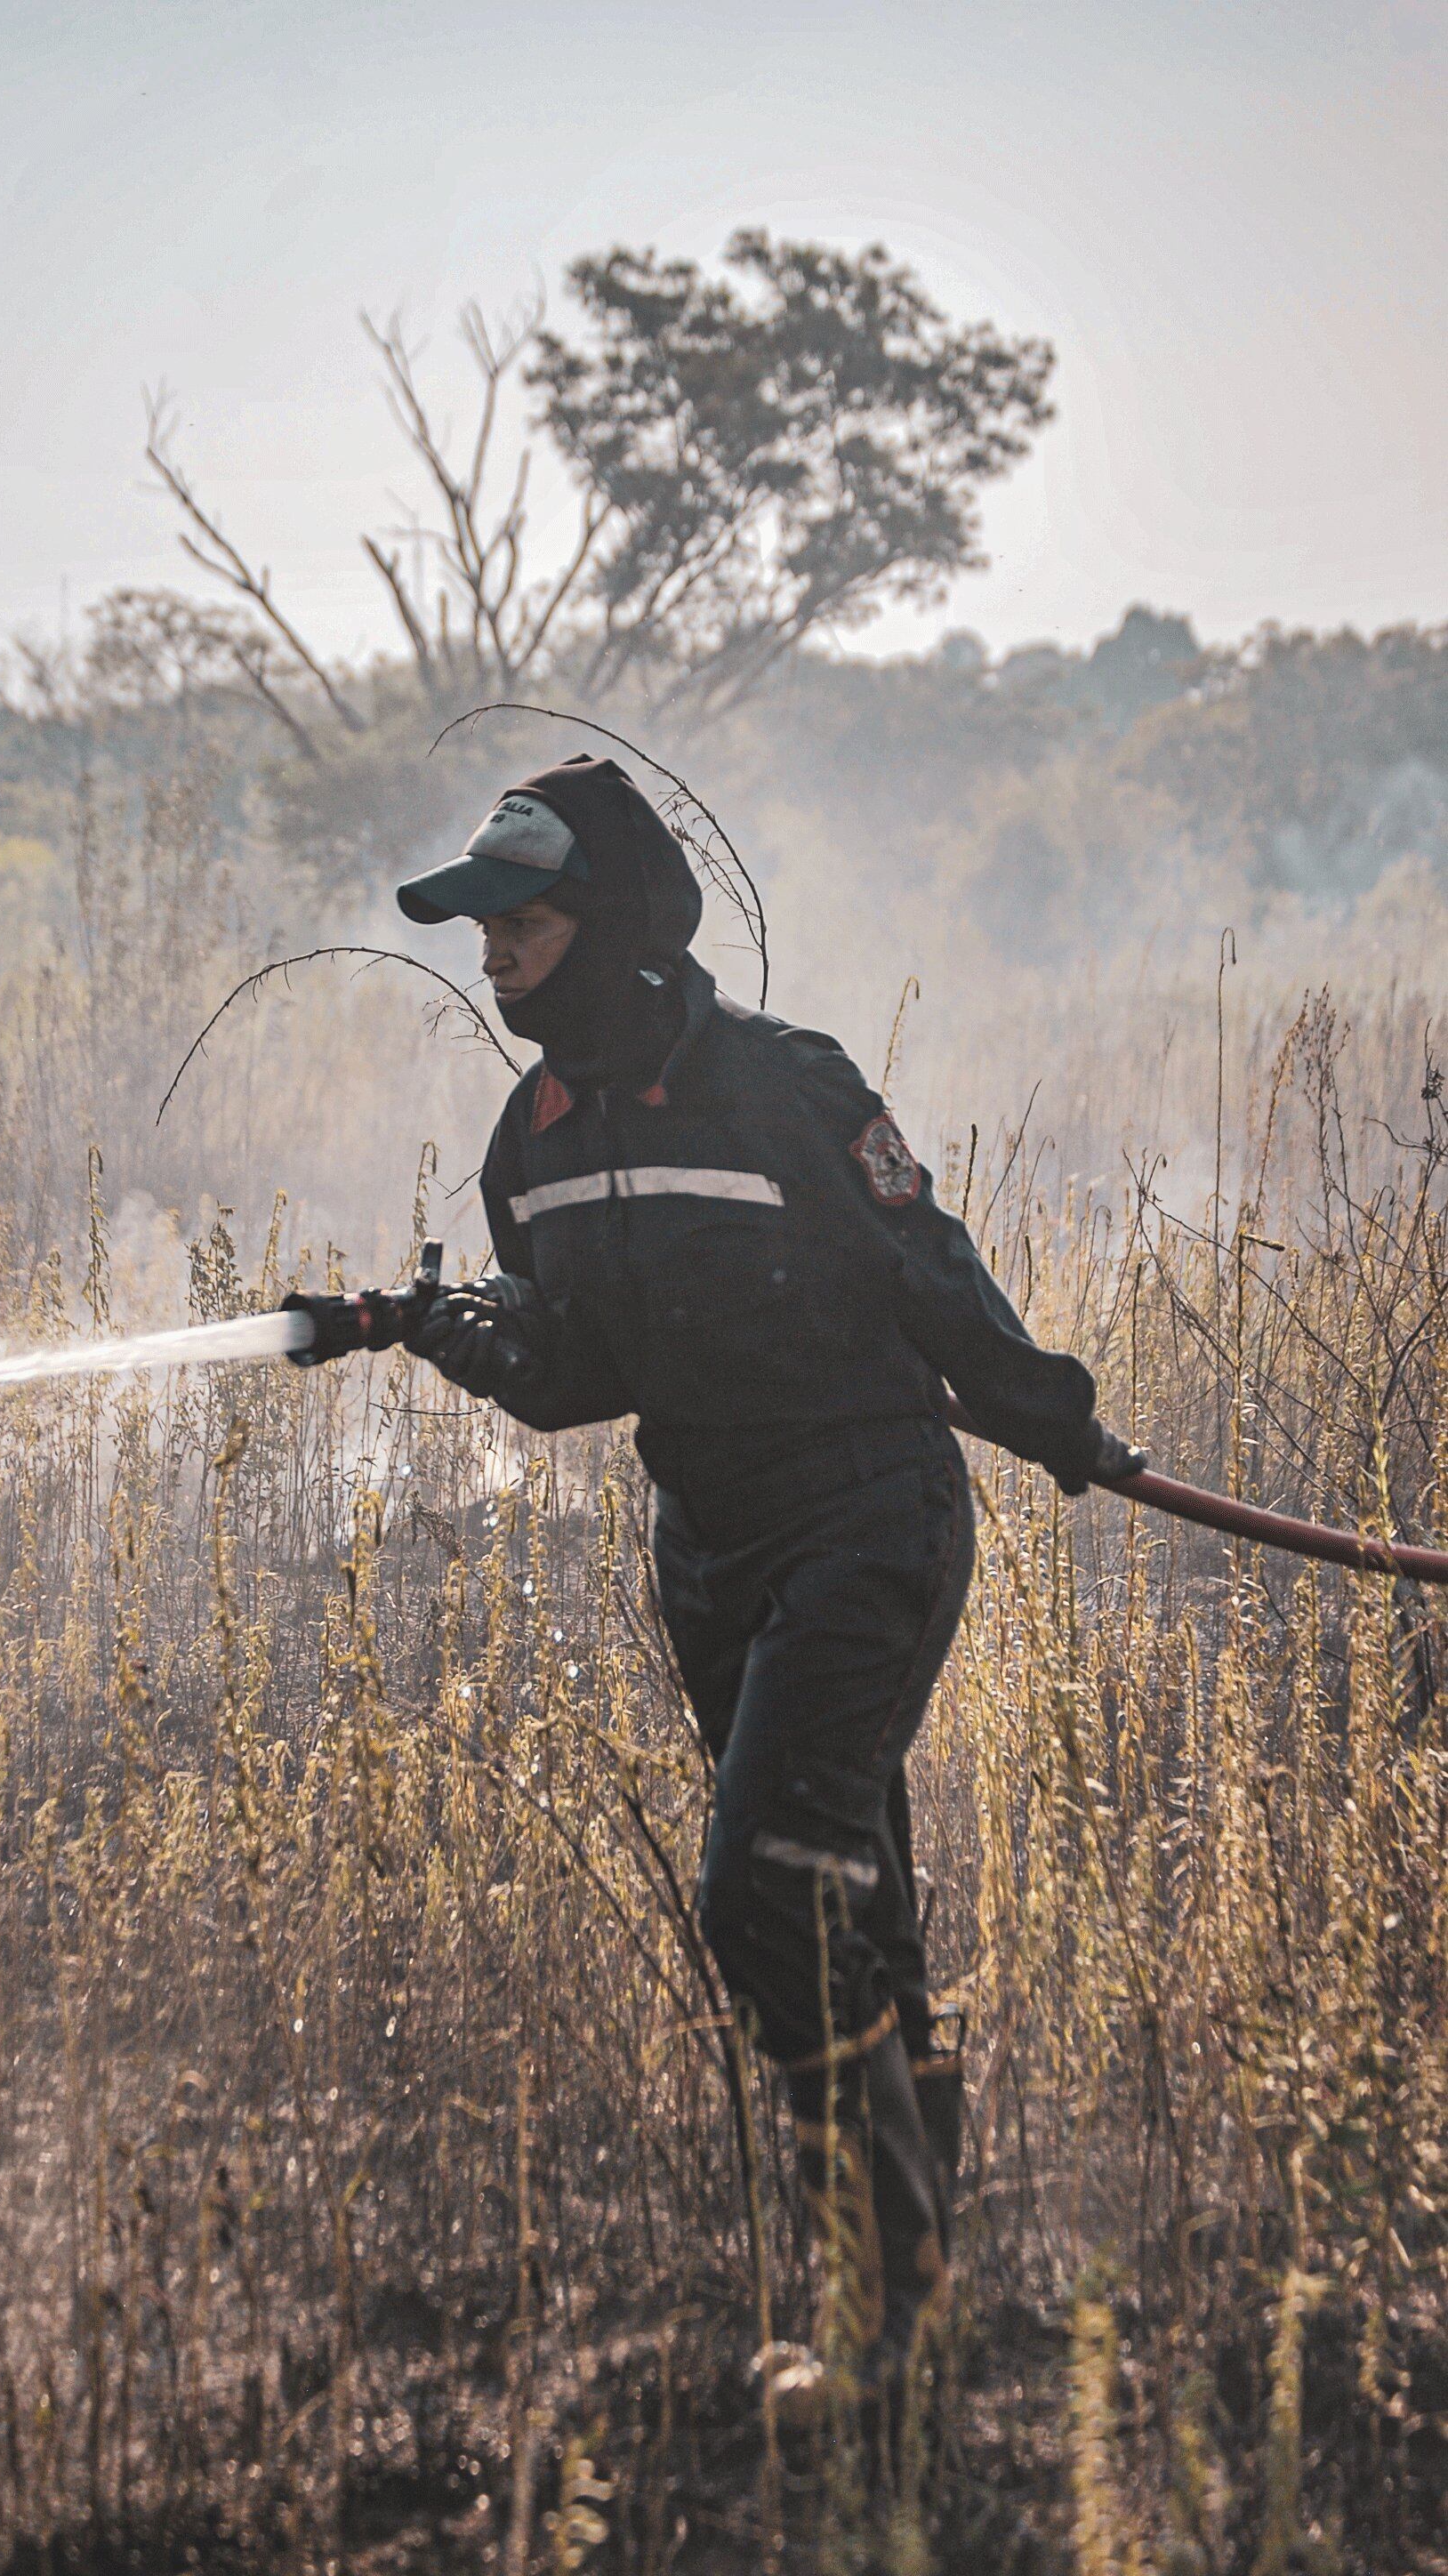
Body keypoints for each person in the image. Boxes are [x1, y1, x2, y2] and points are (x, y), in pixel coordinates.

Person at [392, 753, 1144, 2402]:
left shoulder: (787, 1086)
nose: (494, 953)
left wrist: (1057, 1420)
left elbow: (934, 1272)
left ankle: (885, 2316)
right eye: (482, 929)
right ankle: (925, 2306)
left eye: (519, 922)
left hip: (870, 1521)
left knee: (769, 1892)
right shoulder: (530, 1145)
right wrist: (486, 1349)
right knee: (849, 1903)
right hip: (711, 1552)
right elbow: (585, 1368)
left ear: (612, 927)